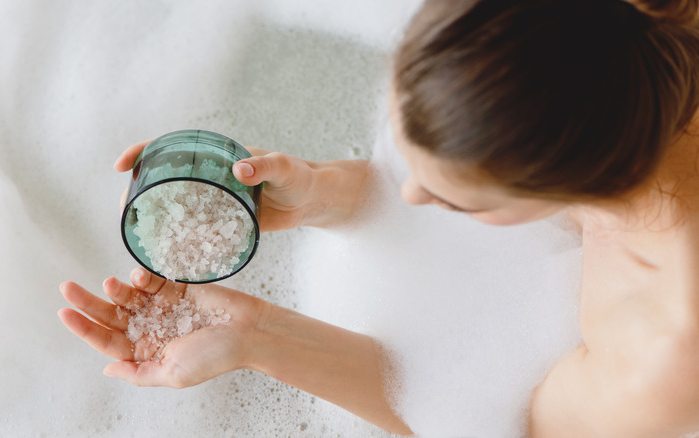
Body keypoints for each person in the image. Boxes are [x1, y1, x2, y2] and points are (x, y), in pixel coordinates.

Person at [58, 0, 699, 436]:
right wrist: (320, 193)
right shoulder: (598, 32)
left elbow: (506, 422)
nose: (411, 196)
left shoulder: (665, 346)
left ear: (585, 185)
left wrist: (258, 338)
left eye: (453, 200)